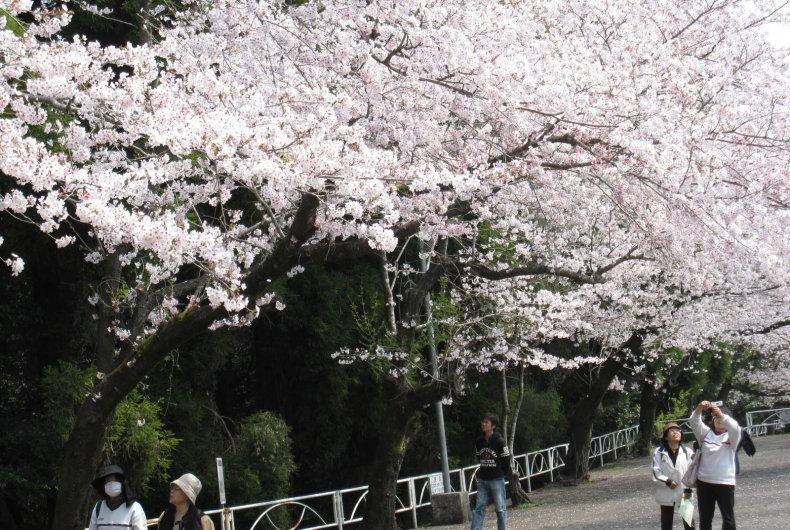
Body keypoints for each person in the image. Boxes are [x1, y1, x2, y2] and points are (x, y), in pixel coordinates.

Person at [689, 401, 741, 530]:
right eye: (716, 418)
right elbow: (694, 422)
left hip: (725, 482)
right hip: (704, 482)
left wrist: (722, 415)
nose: (718, 421)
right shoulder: (706, 434)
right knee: (705, 519)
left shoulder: (732, 436)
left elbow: (735, 427)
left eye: (721, 418)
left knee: (728, 519)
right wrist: (699, 408)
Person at [652, 422, 695, 530]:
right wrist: (667, 481)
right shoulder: (658, 452)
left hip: (685, 490)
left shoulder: (688, 452)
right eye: (672, 430)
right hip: (666, 490)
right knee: (666, 523)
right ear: (666, 436)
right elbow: (655, 472)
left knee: (689, 521)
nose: (676, 432)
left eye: (678, 430)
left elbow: (693, 470)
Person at [470, 412, 509, 530]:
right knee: (479, 507)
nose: (483, 424)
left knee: (500, 508)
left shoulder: (499, 441)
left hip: (496, 479)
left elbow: (506, 460)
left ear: (493, 426)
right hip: (482, 479)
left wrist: (501, 474)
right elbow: (479, 457)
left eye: (486, 422)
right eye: (483, 422)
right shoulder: (479, 441)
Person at [88, 464, 147, 530]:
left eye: (113, 481)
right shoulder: (98, 507)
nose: (110, 484)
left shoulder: (134, 508)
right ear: (103, 486)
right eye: (107, 482)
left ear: (122, 484)